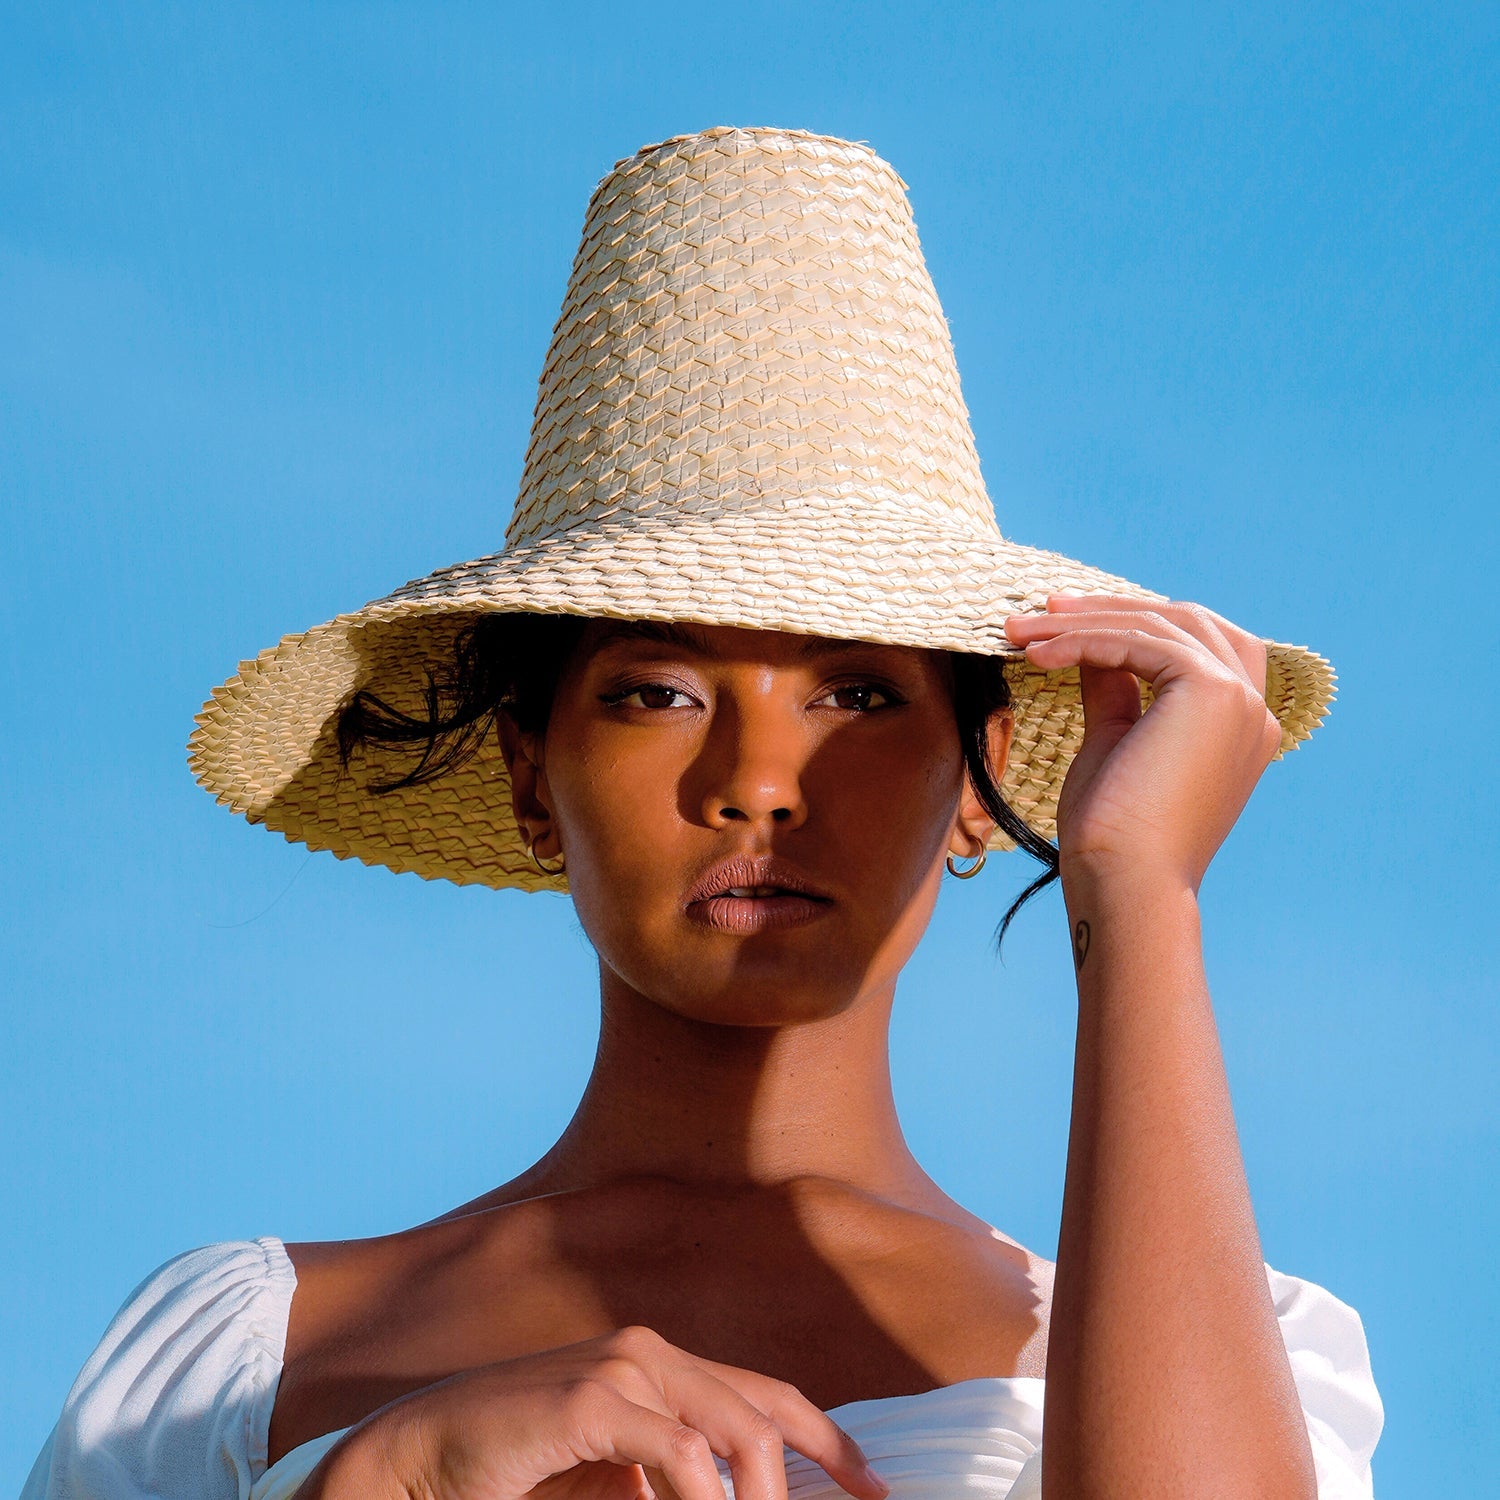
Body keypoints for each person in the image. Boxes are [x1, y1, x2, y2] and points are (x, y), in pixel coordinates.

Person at [21, 126, 1382, 1500]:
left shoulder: (1238, 1352)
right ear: (529, 778)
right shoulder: (239, 1359)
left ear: (978, 787)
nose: (759, 780)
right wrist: (387, 1477)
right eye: (658, 691)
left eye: (856, 695)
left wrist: (1141, 890)